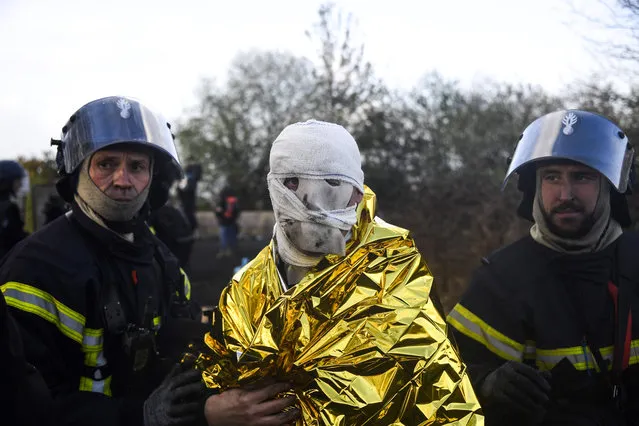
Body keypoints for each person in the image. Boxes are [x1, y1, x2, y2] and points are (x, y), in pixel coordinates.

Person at [197, 120, 483, 425]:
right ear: (273, 185)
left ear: (357, 194)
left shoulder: (393, 271)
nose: (309, 199)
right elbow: (218, 376)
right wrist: (209, 412)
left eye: (331, 183)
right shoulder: (247, 285)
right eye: (292, 182)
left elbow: (437, 397)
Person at [0, 96, 209, 426]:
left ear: (155, 176)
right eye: (106, 164)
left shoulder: (162, 260)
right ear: (78, 170)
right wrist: (137, 416)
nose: (123, 181)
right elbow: (22, 405)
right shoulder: (34, 270)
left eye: (137, 166)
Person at [447, 110, 639, 425]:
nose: (565, 194)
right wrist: (486, 385)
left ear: (608, 185)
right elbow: (445, 376)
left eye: (582, 176)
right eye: (552, 177)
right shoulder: (501, 280)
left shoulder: (635, 261)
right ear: (534, 187)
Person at [0, 160, 29, 258]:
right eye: (17, 181)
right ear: (7, 182)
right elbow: (16, 241)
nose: (20, 185)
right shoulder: (9, 209)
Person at [214, 186, 240, 258]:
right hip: (227, 222)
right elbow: (218, 212)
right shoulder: (226, 202)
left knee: (227, 237)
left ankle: (228, 250)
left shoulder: (229, 202)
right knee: (227, 237)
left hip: (228, 222)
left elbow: (236, 212)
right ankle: (227, 250)